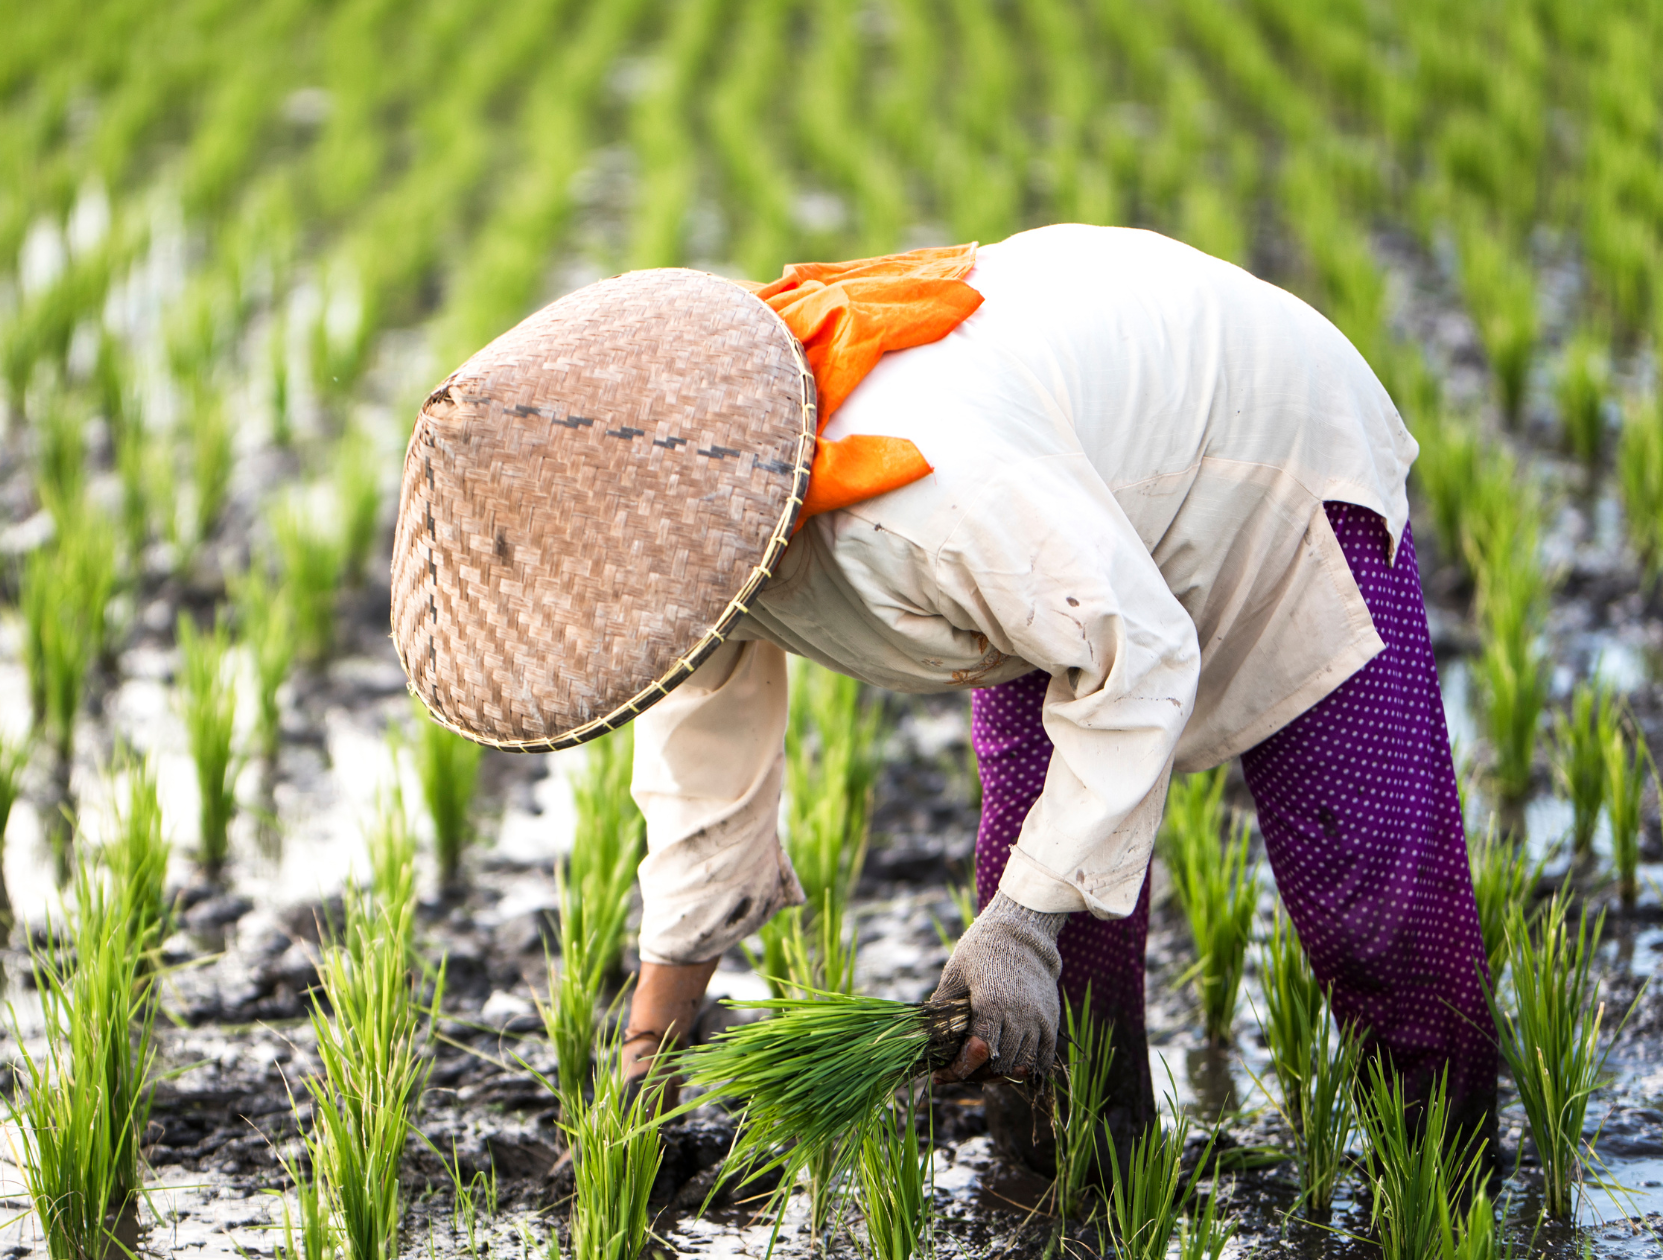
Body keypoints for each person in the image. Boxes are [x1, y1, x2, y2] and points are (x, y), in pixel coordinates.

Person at [387, 224, 1495, 1168]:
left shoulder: (922, 496)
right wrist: (649, 1061)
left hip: (1262, 442)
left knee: (1364, 878)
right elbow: (700, 784)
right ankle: (1077, 1167)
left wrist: (1016, 925)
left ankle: (1449, 1172)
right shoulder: (689, 545)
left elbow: (1139, 651)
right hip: (1065, 505)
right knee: (1044, 894)